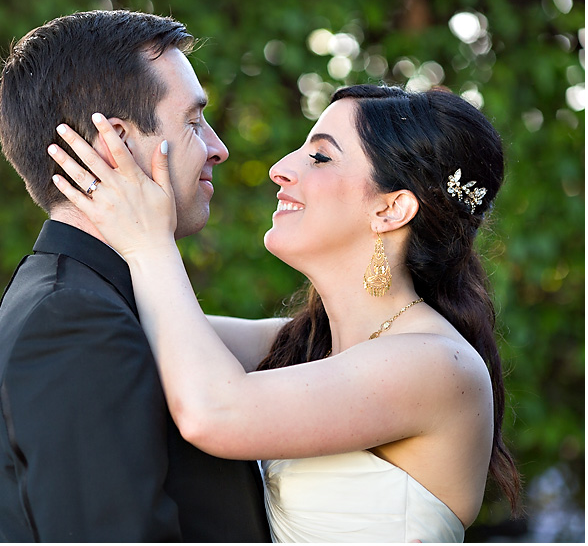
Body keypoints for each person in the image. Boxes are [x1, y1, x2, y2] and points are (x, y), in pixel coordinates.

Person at [48, 84, 522, 542]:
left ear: (391, 209)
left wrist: (149, 242)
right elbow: (126, 327)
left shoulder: (438, 366)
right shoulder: (299, 345)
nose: (279, 169)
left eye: (320, 156)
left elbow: (213, 412)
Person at [0, 10, 271, 542]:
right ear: (116, 143)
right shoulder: (71, 319)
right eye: (194, 122)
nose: (219, 148)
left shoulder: (108, 295)